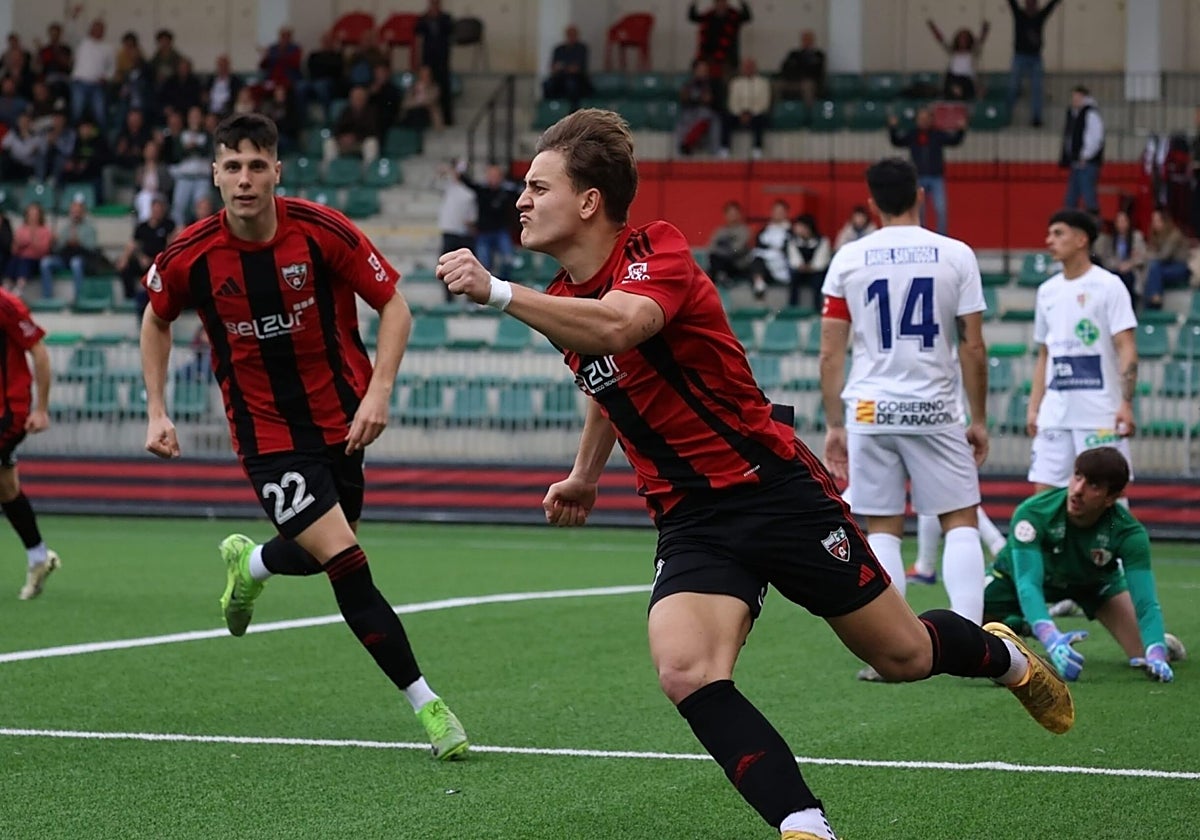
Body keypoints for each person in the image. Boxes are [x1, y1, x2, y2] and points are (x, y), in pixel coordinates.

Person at [437, 107, 1074, 840]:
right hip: (691, 515)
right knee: (685, 669)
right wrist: (585, 473)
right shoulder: (564, 300)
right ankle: (804, 826)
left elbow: (621, 328)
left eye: (537, 186)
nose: (521, 200)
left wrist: (497, 291)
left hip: (772, 489)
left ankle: (1005, 658)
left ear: (589, 202)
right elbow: (610, 382)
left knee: (903, 656)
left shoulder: (656, 250)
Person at [140, 112, 469, 761]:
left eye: (256, 166)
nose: (244, 179)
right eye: (232, 166)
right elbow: (156, 320)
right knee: (346, 561)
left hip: (341, 422)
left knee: (321, 553)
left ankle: (251, 565)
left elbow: (395, 306)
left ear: (277, 172)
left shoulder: (321, 232)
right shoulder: (189, 255)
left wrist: (378, 392)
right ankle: (429, 706)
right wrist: (157, 409)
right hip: (266, 436)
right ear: (215, 175)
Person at [820, 158, 991, 684]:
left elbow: (831, 352)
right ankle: (972, 643)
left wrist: (835, 423)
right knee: (959, 520)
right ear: (920, 194)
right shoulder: (956, 254)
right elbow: (973, 346)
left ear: (871, 203)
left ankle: (889, 652)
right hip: (935, 407)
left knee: (883, 528)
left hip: (870, 409)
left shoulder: (849, 257)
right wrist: (979, 417)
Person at [985, 447, 1181, 684]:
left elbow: (1146, 603)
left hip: (1094, 586)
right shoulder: (1033, 512)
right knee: (974, 631)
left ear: (1111, 498)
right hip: (1014, 581)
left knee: (1144, 655)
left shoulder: (1128, 532)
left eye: (1093, 486)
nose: (1078, 490)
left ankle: (1160, 642)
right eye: (1077, 477)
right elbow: (1028, 584)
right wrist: (1050, 637)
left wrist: (1156, 652)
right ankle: (1024, 624)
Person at [1027, 210, 1138, 493]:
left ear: (1081, 240)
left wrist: (1126, 403)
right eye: (1049, 234)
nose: (1049, 240)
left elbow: (1126, 346)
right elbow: (1044, 354)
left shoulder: (1109, 286)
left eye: (1058, 233)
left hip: (1099, 414)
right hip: (1055, 414)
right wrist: (1034, 407)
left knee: (1109, 499)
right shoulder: (1047, 291)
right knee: (1044, 500)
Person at [0, 287, 58, 600]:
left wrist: (41, 408)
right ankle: (39, 557)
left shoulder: (5, 304)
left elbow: (39, 351)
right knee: (6, 488)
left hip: (9, 412)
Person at [887, 107, 965, 236]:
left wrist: (961, 130)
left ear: (931, 119)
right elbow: (897, 141)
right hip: (918, 177)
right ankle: (921, 236)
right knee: (919, 211)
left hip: (936, 177)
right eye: (921, 118)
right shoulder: (912, 134)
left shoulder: (937, 134)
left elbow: (954, 141)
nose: (923, 121)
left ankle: (942, 236)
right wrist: (892, 128)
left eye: (926, 118)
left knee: (941, 209)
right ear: (917, 120)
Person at [1006, 0, 1063, 128]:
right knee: (1013, 86)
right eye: (1029, 3)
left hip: (1035, 57)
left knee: (1037, 88)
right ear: (1026, 5)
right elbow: (1012, 3)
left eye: (1033, 4)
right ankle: (1006, 114)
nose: (1031, 6)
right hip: (1020, 56)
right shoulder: (1019, 14)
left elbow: (1050, 6)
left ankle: (1036, 118)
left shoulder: (1039, 16)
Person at [117, 194, 175, 304]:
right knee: (126, 267)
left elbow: (170, 245)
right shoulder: (142, 227)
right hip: (143, 260)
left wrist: (157, 260)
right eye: (155, 209)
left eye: (159, 209)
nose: (157, 212)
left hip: (160, 261)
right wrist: (137, 258)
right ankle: (130, 297)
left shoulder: (168, 225)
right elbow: (133, 244)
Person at [40, 196, 100, 302]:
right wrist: (54, 241)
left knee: (75, 263)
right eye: (73, 211)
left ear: (83, 212)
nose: (75, 214)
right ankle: (47, 298)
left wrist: (79, 242)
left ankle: (79, 299)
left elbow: (92, 248)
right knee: (46, 262)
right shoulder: (66, 228)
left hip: (82, 258)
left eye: (78, 211)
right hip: (65, 258)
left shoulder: (89, 228)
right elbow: (58, 249)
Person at [463, 163, 519, 276]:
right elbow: (468, 182)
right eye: (491, 176)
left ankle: (505, 281)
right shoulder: (482, 190)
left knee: (508, 259)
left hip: (501, 231)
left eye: (496, 176)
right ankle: (488, 284)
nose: (493, 179)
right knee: (484, 264)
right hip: (484, 232)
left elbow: (520, 190)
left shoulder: (506, 191)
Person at [436, 159, 478, 302]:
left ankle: (470, 299)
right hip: (449, 233)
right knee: (445, 267)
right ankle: (449, 299)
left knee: (466, 269)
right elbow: (435, 183)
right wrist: (444, 172)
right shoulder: (449, 187)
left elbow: (471, 217)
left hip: (463, 234)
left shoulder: (470, 193)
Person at [1061, 85, 1105, 214]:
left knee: (1088, 197)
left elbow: (1096, 138)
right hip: (1076, 161)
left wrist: (1085, 155)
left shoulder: (1091, 114)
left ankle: (1093, 222)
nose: (1074, 100)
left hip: (1086, 163)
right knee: (1071, 198)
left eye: (1077, 97)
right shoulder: (1075, 114)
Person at [1094, 208, 1146, 308]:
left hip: (1132, 270)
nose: (1121, 224)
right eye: (1119, 221)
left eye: (1124, 221)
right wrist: (1118, 265)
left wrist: (1129, 264)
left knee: (1128, 278)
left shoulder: (1136, 237)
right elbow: (1106, 259)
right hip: (1115, 269)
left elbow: (1142, 257)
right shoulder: (1109, 240)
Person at [720, 58, 770, 159]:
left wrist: (750, 113)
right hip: (738, 114)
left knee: (760, 120)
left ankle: (757, 149)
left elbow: (764, 102)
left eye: (750, 67)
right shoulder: (735, 83)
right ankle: (725, 148)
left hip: (756, 113)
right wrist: (741, 113)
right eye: (746, 67)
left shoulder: (763, 83)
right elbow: (732, 102)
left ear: (755, 68)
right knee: (725, 119)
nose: (748, 69)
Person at [687, 0, 752, 79]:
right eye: (718, 3)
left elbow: (747, 17)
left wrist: (742, 2)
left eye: (723, 2)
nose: (721, 5)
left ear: (726, 3)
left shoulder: (734, 16)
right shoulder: (708, 16)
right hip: (709, 57)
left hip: (728, 59)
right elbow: (692, 17)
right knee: (707, 80)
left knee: (728, 81)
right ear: (715, 4)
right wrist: (694, 2)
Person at [927, 19, 989, 100]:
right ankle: (953, 92)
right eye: (961, 38)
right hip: (952, 79)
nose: (963, 41)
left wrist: (984, 30)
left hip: (966, 80)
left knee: (958, 89)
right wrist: (933, 28)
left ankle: (956, 92)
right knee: (950, 81)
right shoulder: (952, 52)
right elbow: (941, 40)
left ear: (969, 40)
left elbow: (980, 41)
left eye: (965, 38)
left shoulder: (973, 53)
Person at [415, 0, 455, 127]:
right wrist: (418, 60)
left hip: (442, 59)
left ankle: (447, 119)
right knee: (426, 88)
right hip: (428, 59)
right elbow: (418, 38)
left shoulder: (446, 18)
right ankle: (427, 119)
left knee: (444, 88)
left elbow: (451, 32)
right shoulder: (423, 19)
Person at [1143, 207, 1191, 310]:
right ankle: (1153, 298)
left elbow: (1164, 255)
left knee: (1154, 267)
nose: (1154, 224)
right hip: (1165, 266)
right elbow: (1152, 251)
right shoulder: (1156, 235)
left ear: (1164, 221)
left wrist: (1148, 256)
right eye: (1153, 221)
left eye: (1157, 221)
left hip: (1180, 267)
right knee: (1153, 268)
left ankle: (1155, 298)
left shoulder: (1174, 235)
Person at [542, 25, 593, 111]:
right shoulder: (559, 49)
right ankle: (552, 109)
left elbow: (577, 68)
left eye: (573, 34)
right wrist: (566, 67)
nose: (571, 37)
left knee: (571, 85)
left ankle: (573, 110)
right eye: (569, 34)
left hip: (577, 79)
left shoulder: (581, 48)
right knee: (547, 84)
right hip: (560, 78)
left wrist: (563, 66)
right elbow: (554, 67)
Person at [6, 203, 53, 296]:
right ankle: (6, 286)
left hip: (35, 260)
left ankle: (20, 287)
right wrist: (20, 244)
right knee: (14, 261)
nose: (32, 217)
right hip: (20, 258)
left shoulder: (45, 231)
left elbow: (44, 251)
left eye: (35, 214)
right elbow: (13, 250)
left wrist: (33, 240)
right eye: (30, 214)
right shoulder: (21, 229)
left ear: (39, 216)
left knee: (25, 261)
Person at [787, 214, 830, 310]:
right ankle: (792, 307)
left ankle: (817, 309)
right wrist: (801, 266)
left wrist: (811, 267)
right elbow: (794, 259)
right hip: (800, 271)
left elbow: (821, 261)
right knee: (793, 277)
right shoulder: (793, 241)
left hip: (816, 271)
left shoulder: (822, 241)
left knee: (818, 280)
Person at [706, 200, 752, 287]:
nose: (732, 216)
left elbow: (737, 249)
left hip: (736, 263)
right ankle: (721, 275)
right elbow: (711, 248)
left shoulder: (744, 230)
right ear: (725, 215)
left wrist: (722, 248)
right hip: (720, 260)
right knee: (714, 258)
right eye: (730, 213)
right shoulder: (719, 231)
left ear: (739, 214)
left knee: (718, 261)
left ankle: (719, 274)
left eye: (735, 213)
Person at [777, 30, 824, 105]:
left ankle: (809, 110)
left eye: (808, 39)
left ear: (812, 41)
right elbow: (785, 67)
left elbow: (816, 71)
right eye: (804, 39)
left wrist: (799, 66)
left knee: (807, 86)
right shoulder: (794, 54)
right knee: (777, 85)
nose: (806, 41)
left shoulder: (818, 55)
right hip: (793, 80)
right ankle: (776, 109)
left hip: (808, 82)